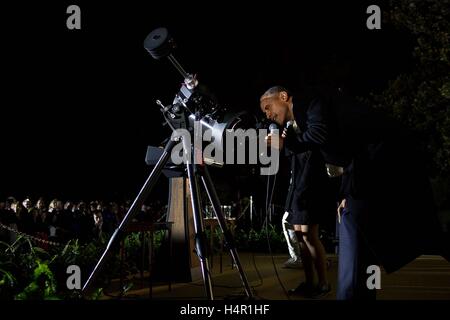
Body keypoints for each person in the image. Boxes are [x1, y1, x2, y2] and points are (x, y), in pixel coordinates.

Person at [260, 85, 449, 300]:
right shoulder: (310, 116)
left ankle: (353, 293)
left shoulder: (310, 101)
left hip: (384, 160)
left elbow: (319, 136)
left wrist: (287, 143)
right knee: (379, 233)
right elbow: (347, 152)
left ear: (283, 97)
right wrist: (345, 192)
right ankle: (364, 291)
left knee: (361, 226)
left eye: (268, 107)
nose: (267, 114)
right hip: (370, 165)